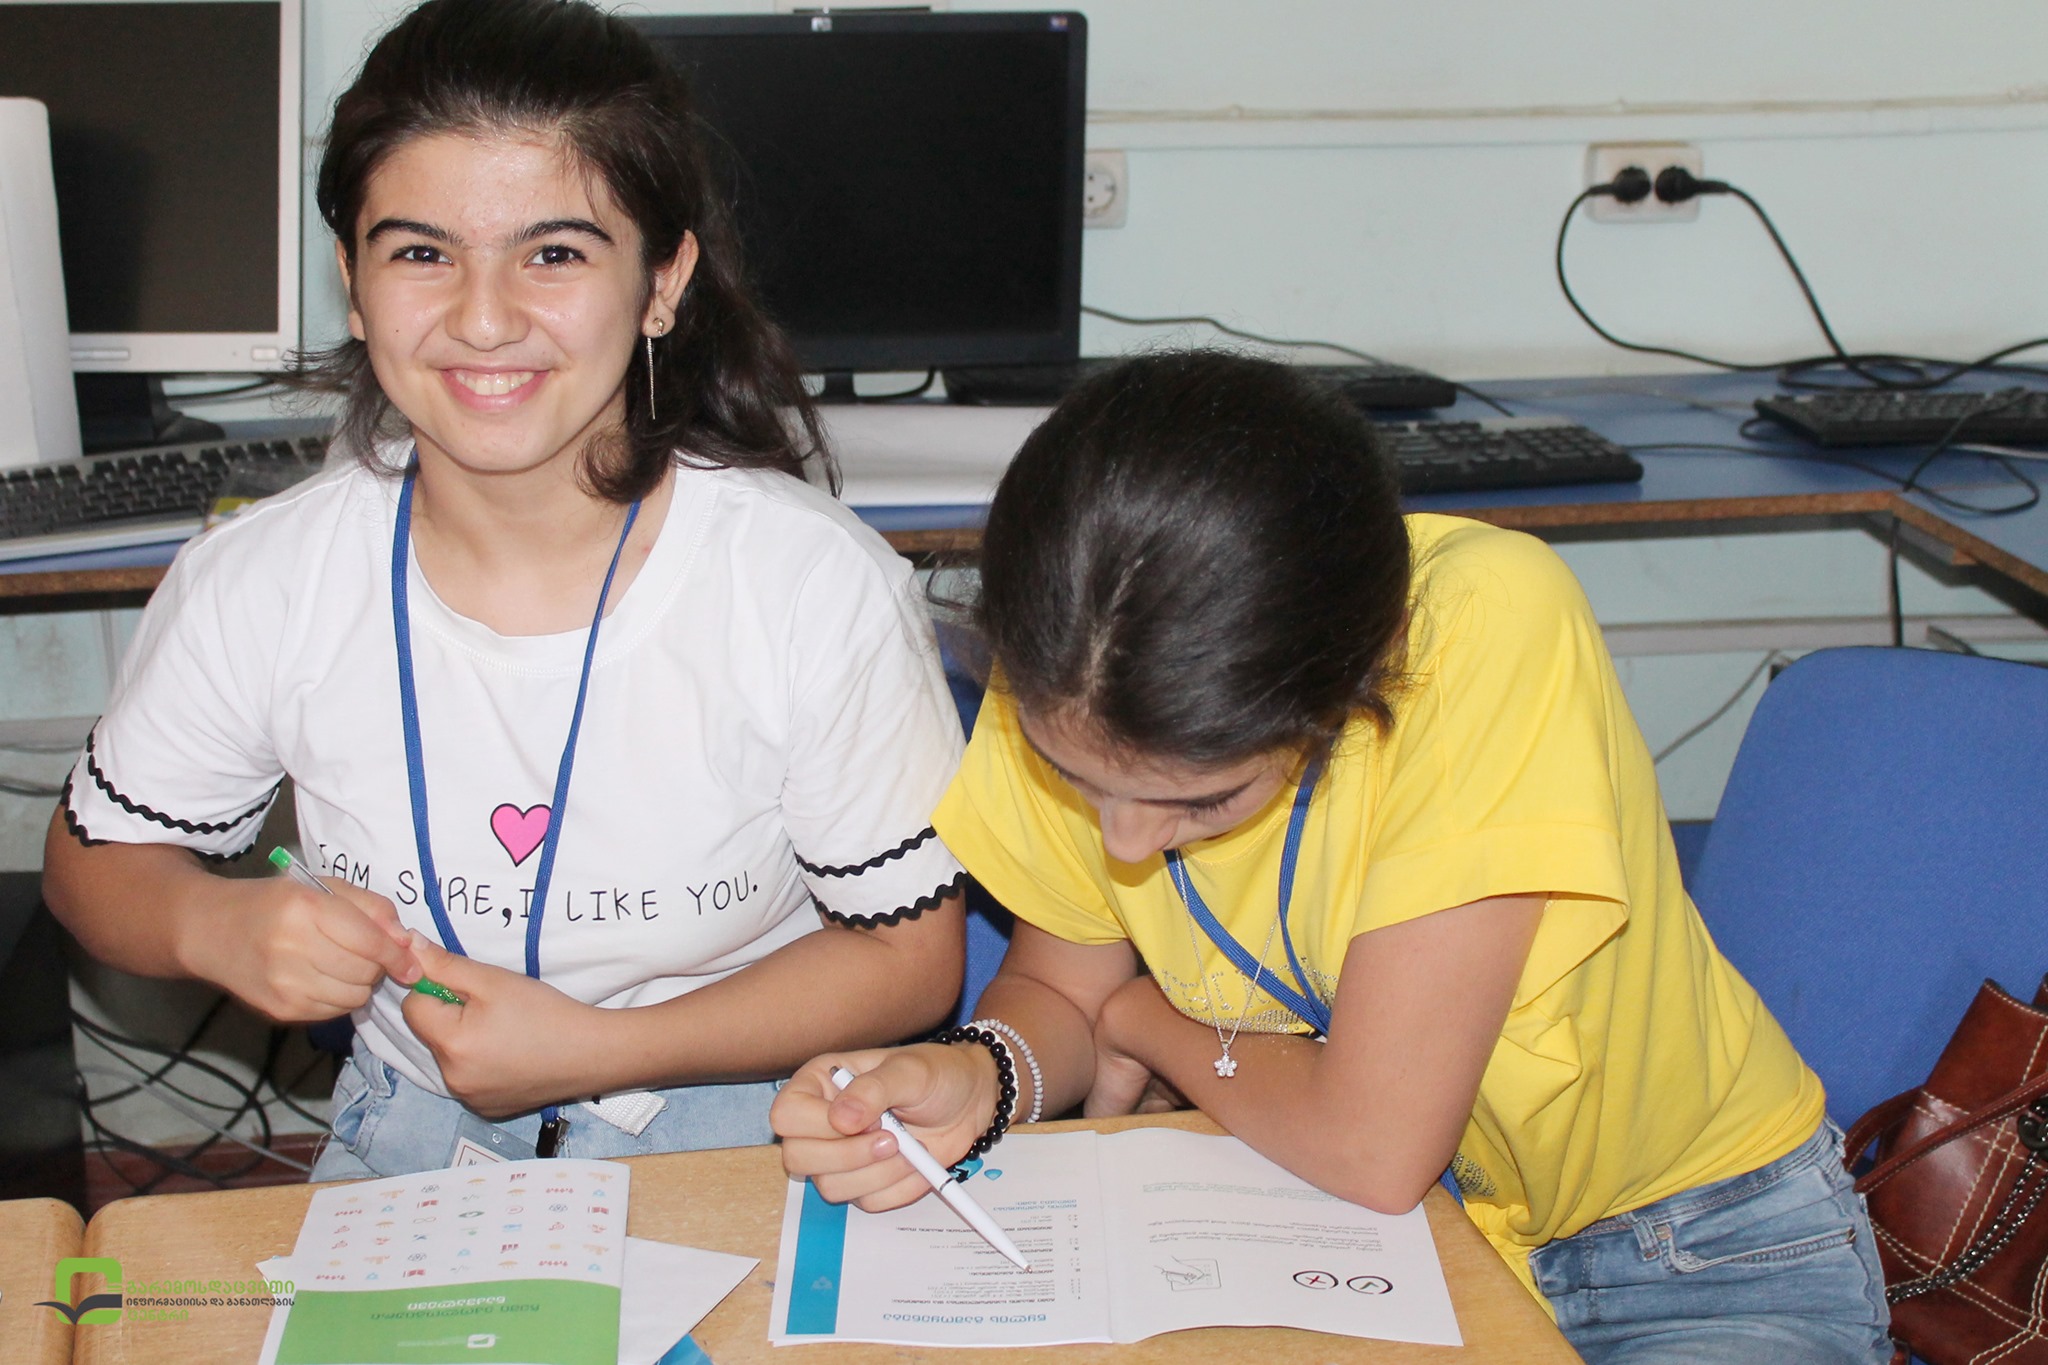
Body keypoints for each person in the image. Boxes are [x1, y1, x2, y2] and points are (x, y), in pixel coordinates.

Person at [773, 352, 1894, 1364]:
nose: (1123, 843)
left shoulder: (1483, 623)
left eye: (1200, 799)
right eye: (1080, 782)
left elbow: (1370, 1144)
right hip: (1387, 1245)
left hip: (1700, 1254)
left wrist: (1145, 1019)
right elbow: (1062, 988)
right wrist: (980, 1074)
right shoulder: (1071, 660)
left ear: (1361, 673)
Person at [43, 0, 966, 1178]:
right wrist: (207, 921)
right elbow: (91, 866)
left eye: (555, 254)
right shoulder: (266, 577)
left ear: (663, 282)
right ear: (352, 278)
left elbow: (908, 959)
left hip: (738, 1121)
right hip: (406, 1131)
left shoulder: (808, 586)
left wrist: (598, 1048)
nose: (483, 320)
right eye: (421, 254)